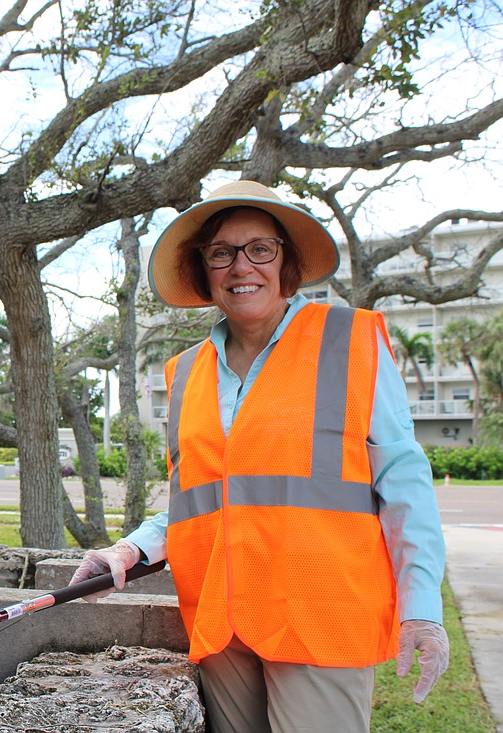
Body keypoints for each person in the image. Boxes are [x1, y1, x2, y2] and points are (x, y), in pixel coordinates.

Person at [71, 180, 449, 733]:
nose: (240, 266)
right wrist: (130, 548)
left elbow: (405, 483)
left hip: (320, 617)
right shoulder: (184, 374)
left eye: (259, 249)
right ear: (204, 269)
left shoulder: (351, 341)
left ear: (285, 261)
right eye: (221, 252)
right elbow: (200, 500)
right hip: (223, 626)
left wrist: (421, 605)